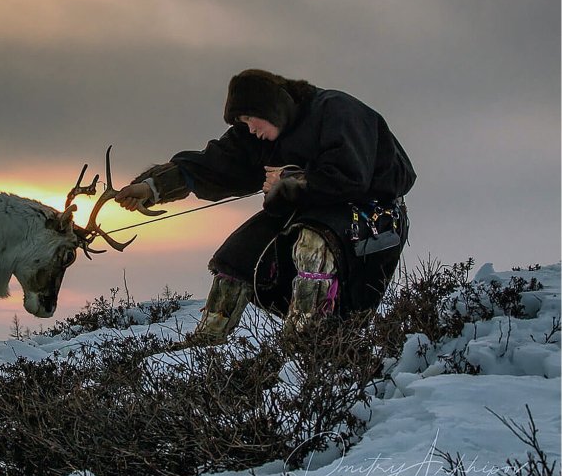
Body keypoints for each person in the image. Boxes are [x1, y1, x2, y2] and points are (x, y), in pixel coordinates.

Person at [115, 68, 416, 344]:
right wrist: (152, 187)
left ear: (269, 107)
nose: (249, 129)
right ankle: (206, 343)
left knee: (312, 244)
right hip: (306, 209)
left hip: (372, 210)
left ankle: (303, 342)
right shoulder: (259, 137)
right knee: (237, 256)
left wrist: (289, 181)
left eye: (249, 120)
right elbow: (217, 163)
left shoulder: (337, 110)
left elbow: (351, 175)